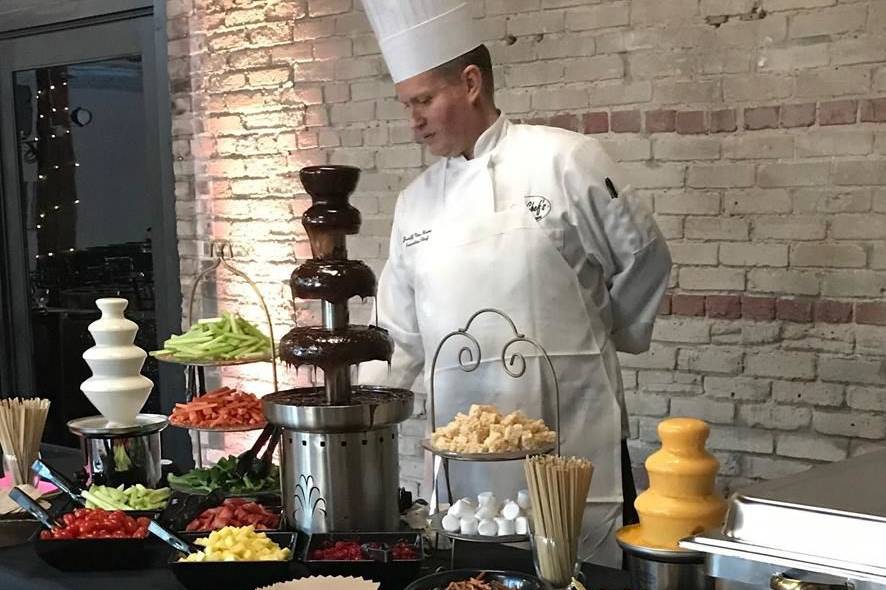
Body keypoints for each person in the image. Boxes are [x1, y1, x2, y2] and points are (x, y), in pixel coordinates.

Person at [357, 0, 672, 567]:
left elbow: (644, 258)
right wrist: (357, 415)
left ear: (471, 83)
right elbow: (397, 334)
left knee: (576, 569)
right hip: (461, 451)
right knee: (474, 569)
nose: (414, 121)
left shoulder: (565, 160)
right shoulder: (414, 203)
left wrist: (604, 335)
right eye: (407, 105)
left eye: (424, 100)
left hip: (569, 433)